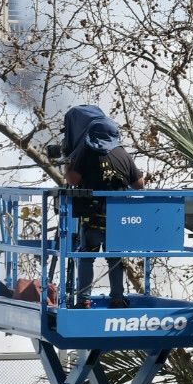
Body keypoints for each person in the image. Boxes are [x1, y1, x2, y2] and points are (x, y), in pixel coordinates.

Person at [62, 105, 145, 309]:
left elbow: (72, 179)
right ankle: (117, 298)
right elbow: (139, 184)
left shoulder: (87, 152)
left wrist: (67, 162)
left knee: (86, 257)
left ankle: (84, 300)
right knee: (115, 258)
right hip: (118, 221)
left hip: (92, 220)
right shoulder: (123, 154)